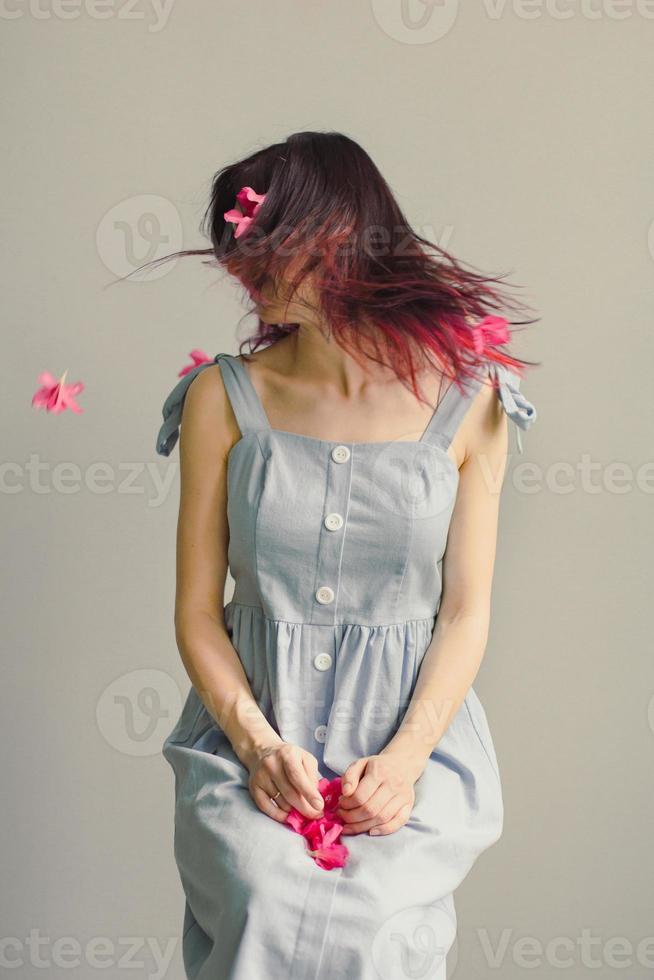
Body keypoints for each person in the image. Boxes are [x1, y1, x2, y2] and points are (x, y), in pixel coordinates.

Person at [155, 131, 538, 980]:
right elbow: (194, 610)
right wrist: (257, 748)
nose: (239, 267)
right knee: (259, 898)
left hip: (409, 743)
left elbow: (467, 609)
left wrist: (404, 766)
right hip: (251, 729)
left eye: (258, 243)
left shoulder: (473, 403)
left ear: (334, 235)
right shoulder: (224, 397)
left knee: (372, 937)